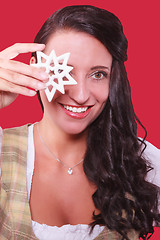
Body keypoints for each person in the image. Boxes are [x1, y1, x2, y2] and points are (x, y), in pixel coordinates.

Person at [0, 5, 160, 240]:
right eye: (63, 70)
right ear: (33, 67)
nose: (81, 95)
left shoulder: (139, 162)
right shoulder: (3, 150)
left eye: (98, 74)